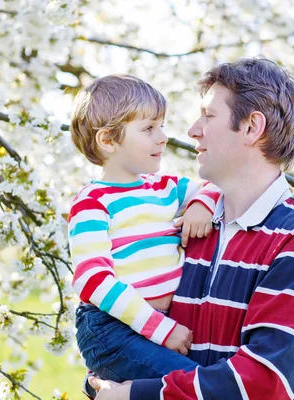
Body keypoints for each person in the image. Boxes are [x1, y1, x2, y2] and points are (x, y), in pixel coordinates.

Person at [89, 58, 294, 400]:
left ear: (252, 127)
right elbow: (122, 339)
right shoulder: (184, 229)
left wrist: (133, 395)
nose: (193, 129)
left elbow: (264, 385)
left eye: (209, 116)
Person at [68, 75, 222, 394]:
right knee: (199, 386)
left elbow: (213, 187)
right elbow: (93, 281)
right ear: (108, 141)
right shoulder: (93, 202)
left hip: (153, 325)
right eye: (149, 128)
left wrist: (200, 207)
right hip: (112, 330)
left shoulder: (163, 188)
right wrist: (161, 330)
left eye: (162, 126)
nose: (163, 137)